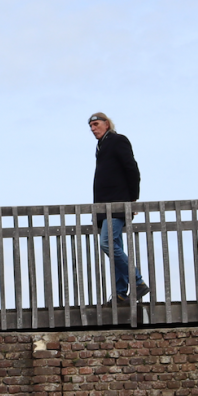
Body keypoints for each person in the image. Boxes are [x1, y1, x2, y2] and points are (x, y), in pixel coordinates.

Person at [89, 112, 149, 300]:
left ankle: (138, 282)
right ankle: (120, 292)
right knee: (114, 245)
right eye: (90, 126)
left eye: (96, 124)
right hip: (104, 206)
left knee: (107, 243)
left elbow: (132, 169)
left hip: (116, 204)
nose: (93, 129)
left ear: (107, 124)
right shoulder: (101, 146)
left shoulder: (117, 140)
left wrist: (132, 199)